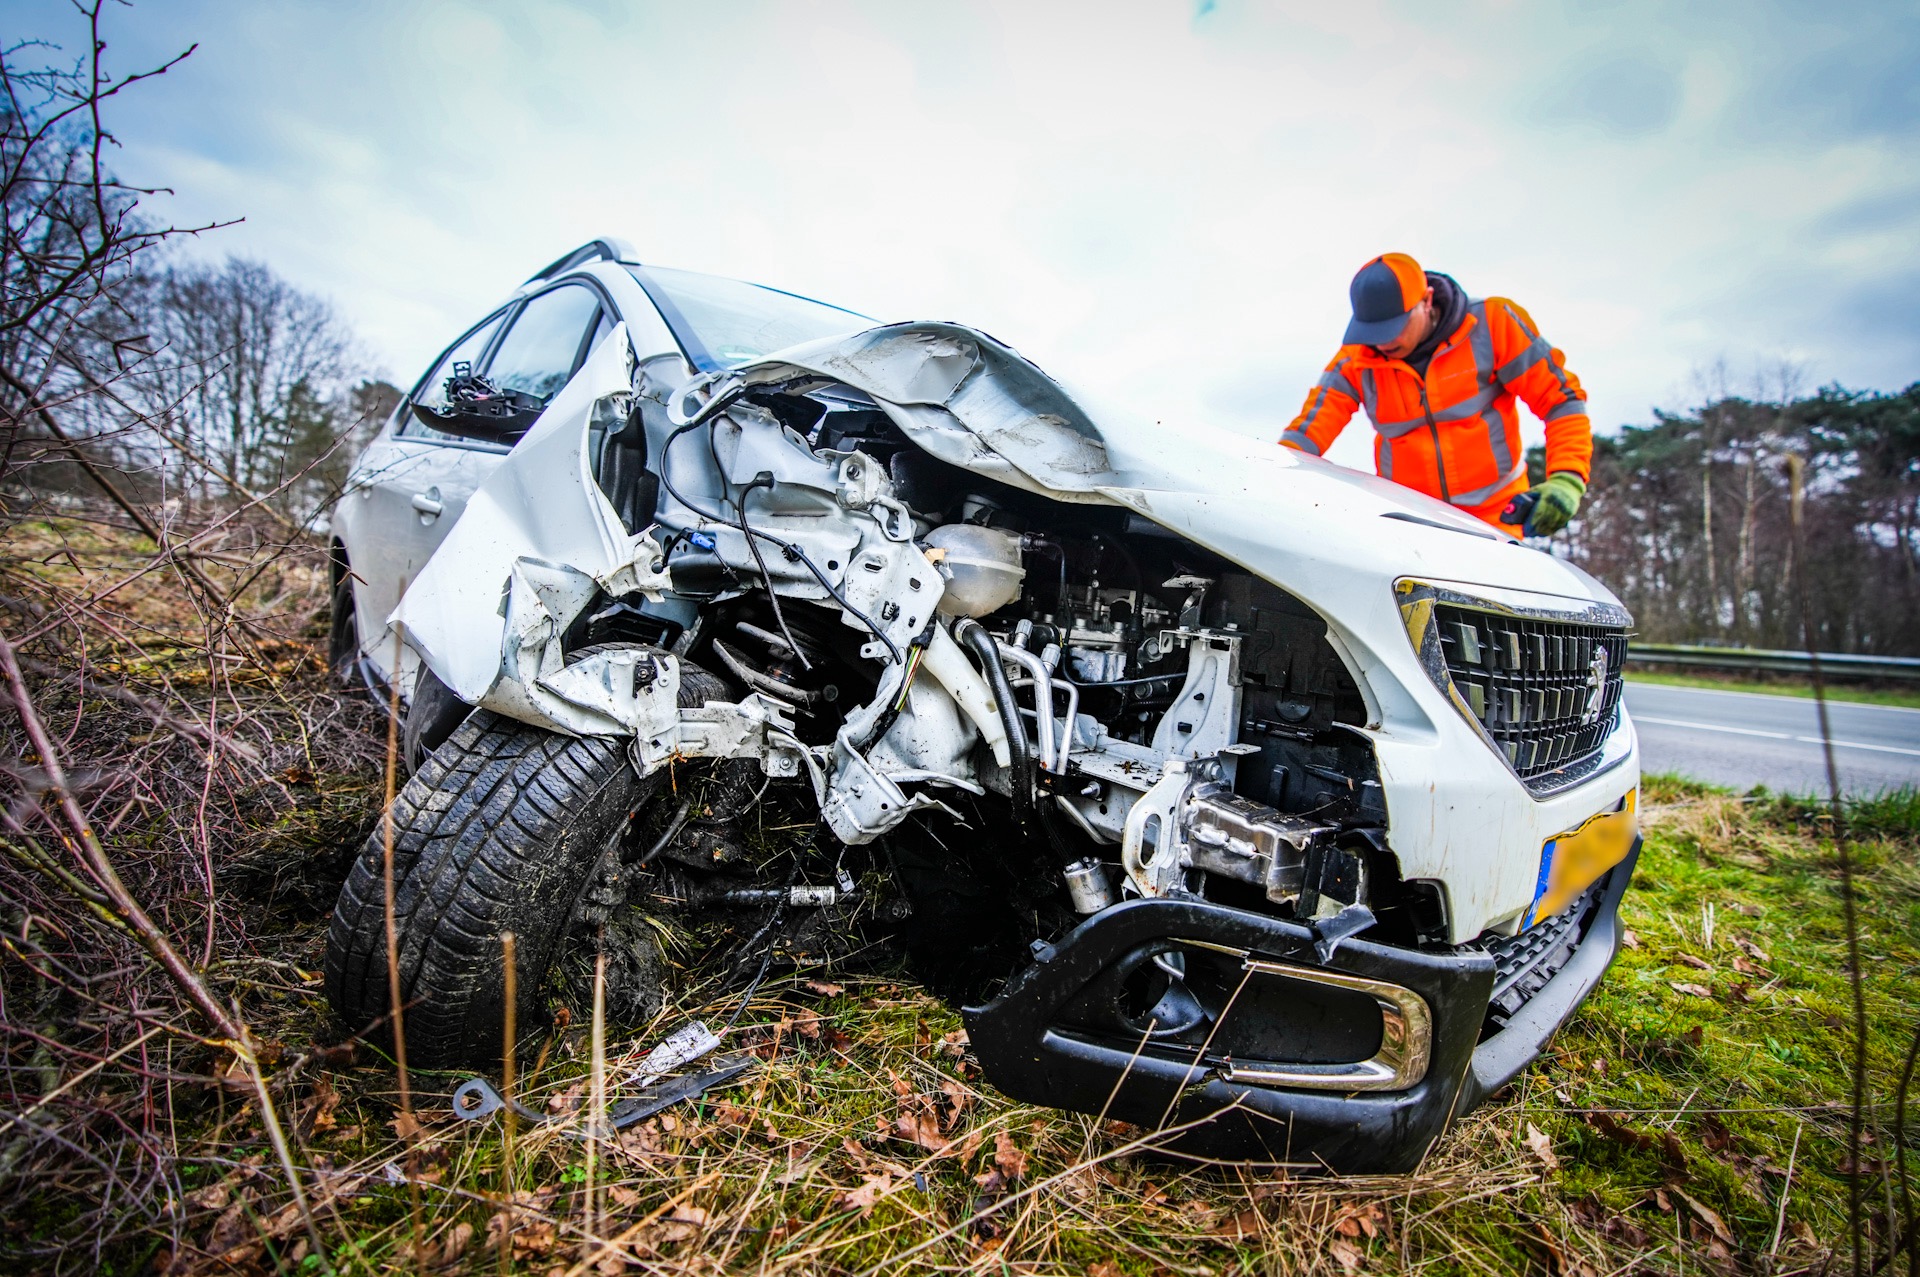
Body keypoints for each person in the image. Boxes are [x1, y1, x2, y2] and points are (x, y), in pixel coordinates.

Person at [1280, 252, 1591, 536]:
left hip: (1494, 522)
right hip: (1410, 524)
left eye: (1395, 325)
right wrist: (1273, 476)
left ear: (1426, 300)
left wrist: (1567, 478)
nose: (1383, 342)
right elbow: (1308, 433)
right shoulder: (1356, 358)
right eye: (1374, 331)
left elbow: (1562, 401)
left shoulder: (1494, 325)